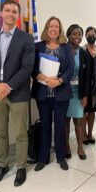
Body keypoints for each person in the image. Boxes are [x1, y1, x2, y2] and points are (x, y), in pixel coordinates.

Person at [0, 0, 35, 187]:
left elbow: (27, 68)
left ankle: (21, 167)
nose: (11, 14)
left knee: (20, 133)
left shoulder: (26, 38)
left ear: (18, 16)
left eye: (14, 11)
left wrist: (7, 87)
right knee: (0, 133)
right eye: (7, 10)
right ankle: (2, 165)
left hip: (18, 93)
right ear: (1, 13)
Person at [31, 16, 74, 171]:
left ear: (60, 29)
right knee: (45, 125)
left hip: (60, 93)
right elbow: (32, 67)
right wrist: (42, 77)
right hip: (43, 94)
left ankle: (61, 156)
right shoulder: (38, 46)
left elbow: (70, 69)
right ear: (46, 28)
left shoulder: (66, 47)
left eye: (56, 26)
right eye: (51, 26)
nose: (54, 29)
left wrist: (60, 80)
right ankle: (43, 158)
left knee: (60, 126)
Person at [65, 24, 90, 160]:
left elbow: (87, 77)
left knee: (79, 121)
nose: (77, 37)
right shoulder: (63, 49)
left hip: (78, 92)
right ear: (68, 35)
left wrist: (85, 95)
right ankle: (67, 146)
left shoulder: (83, 53)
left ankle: (80, 147)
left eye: (80, 34)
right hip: (64, 91)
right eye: (74, 34)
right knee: (65, 121)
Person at [82, 27, 96, 145]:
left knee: (92, 111)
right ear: (85, 36)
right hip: (84, 83)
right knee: (83, 110)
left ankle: (90, 134)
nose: (91, 36)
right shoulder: (82, 50)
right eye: (88, 34)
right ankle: (83, 134)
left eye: (93, 34)